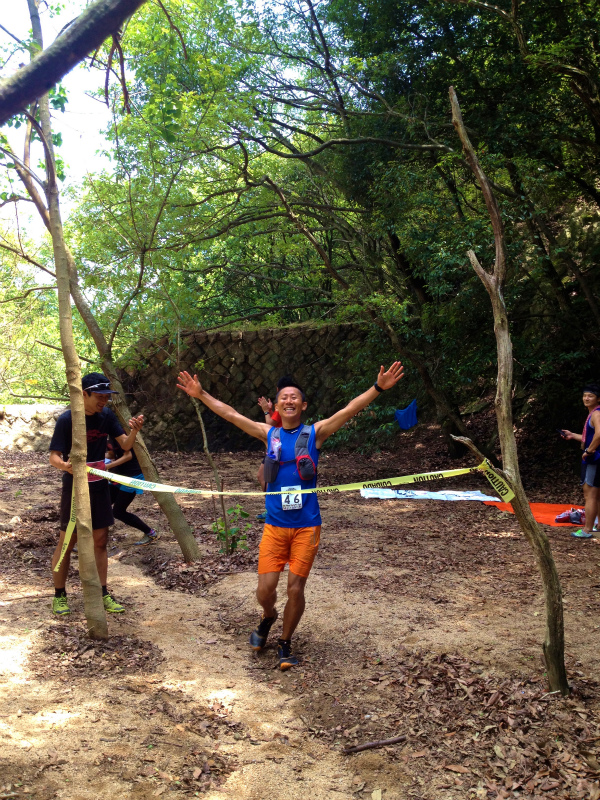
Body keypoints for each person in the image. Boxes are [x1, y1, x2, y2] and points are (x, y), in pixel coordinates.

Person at [177, 361, 404, 669]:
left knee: (295, 588)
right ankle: (268, 615)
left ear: (303, 404)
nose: (288, 400)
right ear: (278, 404)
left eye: (294, 397)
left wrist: (378, 388)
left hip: (307, 527)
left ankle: (285, 642)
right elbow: (231, 414)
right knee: (264, 590)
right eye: (283, 397)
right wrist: (201, 394)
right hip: (274, 527)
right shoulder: (267, 433)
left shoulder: (315, 433)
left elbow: (349, 410)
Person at [49, 372, 144, 615]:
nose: (104, 401)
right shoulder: (67, 420)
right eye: (99, 396)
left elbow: (124, 445)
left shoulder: (107, 416)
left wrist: (134, 431)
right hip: (74, 486)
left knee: (100, 540)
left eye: (107, 397)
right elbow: (54, 457)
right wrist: (66, 466)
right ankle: (59, 595)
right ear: (84, 394)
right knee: (67, 541)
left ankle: (103, 592)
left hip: (100, 484)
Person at [560, 383, 600, 539]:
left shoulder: (597, 414)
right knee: (596, 493)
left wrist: (589, 451)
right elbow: (588, 437)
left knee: (590, 494)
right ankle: (597, 526)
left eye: (590, 396)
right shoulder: (593, 413)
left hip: (594, 459)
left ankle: (587, 530)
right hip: (594, 458)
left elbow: (599, 435)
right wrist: (572, 435)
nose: (586, 398)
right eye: (585, 395)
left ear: (598, 399)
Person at [105, 438, 159, 546]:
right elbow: (112, 453)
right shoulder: (106, 435)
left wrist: (106, 466)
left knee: (118, 512)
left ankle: (150, 533)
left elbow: (128, 455)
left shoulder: (118, 432)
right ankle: (92, 539)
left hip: (132, 477)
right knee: (102, 504)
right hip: (118, 475)